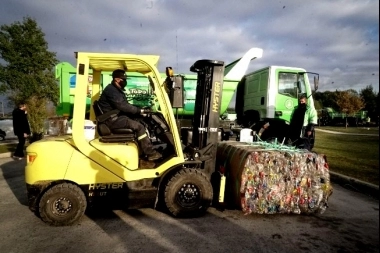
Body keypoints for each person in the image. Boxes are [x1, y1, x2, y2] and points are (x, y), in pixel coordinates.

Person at [98, 69, 162, 161]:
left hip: (115, 117)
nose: (125, 81)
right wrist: (140, 111)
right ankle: (150, 153)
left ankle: (144, 148)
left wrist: (141, 109)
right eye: (123, 79)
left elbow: (125, 104)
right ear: (117, 79)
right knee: (139, 127)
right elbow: (123, 106)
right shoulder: (111, 91)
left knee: (141, 120)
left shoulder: (116, 90)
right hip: (111, 120)